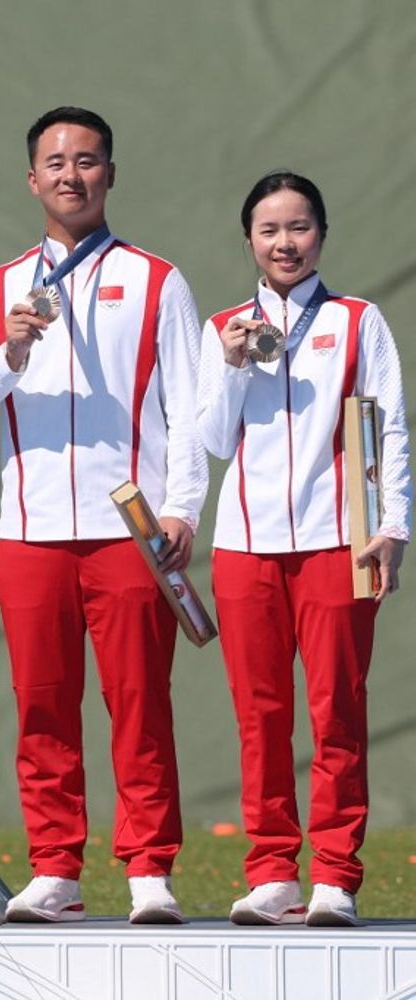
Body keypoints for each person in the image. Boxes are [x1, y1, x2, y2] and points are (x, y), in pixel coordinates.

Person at [0, 107, 206, 923]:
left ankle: (149, 871)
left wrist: (183, 509)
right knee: (42, 705)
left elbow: (191, 408)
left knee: (140, 701)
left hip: (128, 531)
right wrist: (12, 350)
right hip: (29, 534)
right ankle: (55, 868)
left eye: (87, 160)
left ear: (109, 175)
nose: (71, 174)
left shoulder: (158, 280)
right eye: (54, 162)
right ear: (32, 180)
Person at [197, 172, 409, 927]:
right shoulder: (224, 327)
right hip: (244, 548)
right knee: (260, 716)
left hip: (336, 544)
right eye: (269, 230)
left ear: (321, 232)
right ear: (249, 239)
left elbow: (391, 428)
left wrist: (394, 526)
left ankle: (336, 878)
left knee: (336, 712)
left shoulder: (359, 321)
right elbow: (214, 441)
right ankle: (272, 874)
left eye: (299, 227)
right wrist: (228, 365)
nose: (285, 243)